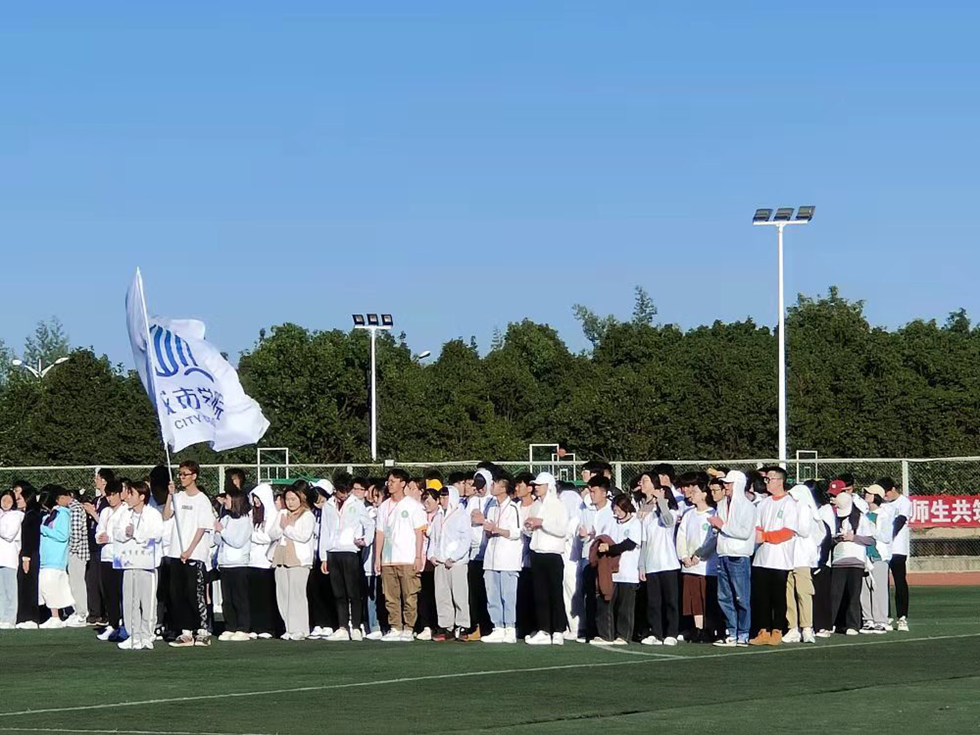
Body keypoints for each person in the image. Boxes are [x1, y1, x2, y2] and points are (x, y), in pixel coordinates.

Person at [165, 461, 216, 648]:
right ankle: (185, 631)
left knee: (195, 593)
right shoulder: (178, 497)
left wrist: (189, 550)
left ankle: (202, 630)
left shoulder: (202, 499)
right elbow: (166, 515)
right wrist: (170, 496)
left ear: (194, 476)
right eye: (180, 474)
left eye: (185, 474)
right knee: (178, 594)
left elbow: (202, 527)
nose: (182, 477)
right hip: (176, 552)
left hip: (194, 554)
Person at [375, 468, 427, 642]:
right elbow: (380, 533)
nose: (390, 484)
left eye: (394, 481)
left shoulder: (413, 506)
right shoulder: (383, 506)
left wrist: (418, 556)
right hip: (388, 558)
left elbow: (419, 532)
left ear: (402, 483)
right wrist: (377, 557)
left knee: (409, 594)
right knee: (390, 595)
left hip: (407, 556)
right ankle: (395, 626)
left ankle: (409, 627)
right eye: (389, 481)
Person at [749, 466, 799, 646]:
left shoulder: (789, 503)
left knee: (778, 597)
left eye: (769, 479)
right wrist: (760, 536)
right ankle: (763, 630)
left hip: (780, 559)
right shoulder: (763, 503)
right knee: (761, 597)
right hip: (762, 557)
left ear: (780, 481)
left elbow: (788, 531)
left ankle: (778, 629)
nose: (766, 482)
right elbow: (757, 526)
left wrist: (767, 536)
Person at [113, 480, 164, 650]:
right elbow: (117, 532)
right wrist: (126, 533)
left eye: (131, 493)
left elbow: (156, 535)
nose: (127, 497)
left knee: (147, 600)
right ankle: (132, 634)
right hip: (128, 562)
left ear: (142, 497)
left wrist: (136, 533)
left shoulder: (153, 514)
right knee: (129, 600)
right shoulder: (124, 513)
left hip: (147, 564)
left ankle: (147, 635)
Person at [321, 473, 371, 642]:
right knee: (338, 592)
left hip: (350, 551)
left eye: (347, 491)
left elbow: (369, 525)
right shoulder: (328, 505)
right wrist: (323, 557)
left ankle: (356, 627)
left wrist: (364, 540)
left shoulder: (356, 504)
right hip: (333, 552)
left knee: (353, 592)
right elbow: (324, 531)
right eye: (341, 491)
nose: (344, 494)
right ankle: (342, 627)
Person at [710, 470, 756, 648]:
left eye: (728, 484)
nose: (725, 487)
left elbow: (744, 533)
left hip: (739, 556)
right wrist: (717, 529)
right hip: (723, 554)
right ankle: (732, 632)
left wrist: (722, 526)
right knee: (724, 597)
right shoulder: (722, 504)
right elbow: (721, 527)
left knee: (741, 597)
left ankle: (743, 633)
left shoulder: (747, 506)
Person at [523, 472, 569, 646]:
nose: (536, 488)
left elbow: (562, 530)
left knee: (555, 593)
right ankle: (544, 629)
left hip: (553, 554)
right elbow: (529, 529)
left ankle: (558, 630)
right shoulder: (535, 505)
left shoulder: (558, 505)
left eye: (539, 485)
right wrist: (529, 526)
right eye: (535, 485)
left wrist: (541, 523)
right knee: (540, 594)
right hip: (537, 552)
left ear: (548, 486)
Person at [591, 494, 641, 646]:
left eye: (619, 509)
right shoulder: (612, 522)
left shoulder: (635, 523)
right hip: (611, 573)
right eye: (615, 509)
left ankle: (623, 635)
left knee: (625, 607)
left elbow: (629, 544)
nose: (617, 513)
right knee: (605, 602)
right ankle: (605, 634)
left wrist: (610, 548)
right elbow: (604, 537)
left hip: (628, 572)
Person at [675, 476, 718, 643]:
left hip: (707, 566)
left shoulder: (712, 513)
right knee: (693, 599)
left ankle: (711, 629)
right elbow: (681, 536)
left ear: (704, 494)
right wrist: (684, 556)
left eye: (695, 491)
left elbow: (712, 539)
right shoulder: (688, 514)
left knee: (707, 597)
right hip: (689, 566)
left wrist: (699, 555)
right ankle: (697, 629)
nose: (690, 494)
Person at [481, 475, 522, 644]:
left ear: (504, 488)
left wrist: (497, 529)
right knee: (493, 594)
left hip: (508, 559)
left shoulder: (513, 508)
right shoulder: (491, 507)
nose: (492, 486)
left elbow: (516, 532)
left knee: (508, 595)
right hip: (491, 557)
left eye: (496, 483)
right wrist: (489, 529)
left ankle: (510, 628)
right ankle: (497, 626)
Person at [428, 484, 471, 641]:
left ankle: (462, 625)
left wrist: (454, 557)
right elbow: (434, 538)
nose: (442, 500)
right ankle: (446, 626)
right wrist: (431, 555)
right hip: (440, 562)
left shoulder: (461, 515)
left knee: (460, 595)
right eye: (441, 497)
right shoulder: (438, 516)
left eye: (445, 496)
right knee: (442, 596)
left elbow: (465, 540)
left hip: (456, 563)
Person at [828, 492, 875, 635]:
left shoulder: (861, 518)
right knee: (835, 595)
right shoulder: (834, 518)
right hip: (838, 561)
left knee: (854, 595)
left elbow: (870, 540)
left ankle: (853, 625)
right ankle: (829, 624)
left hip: (856, 561)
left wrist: (853, 537)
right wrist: (836, 539)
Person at [783, 484, 825, 644]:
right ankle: (792, 627)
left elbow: (805, 530)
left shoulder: (805, 508)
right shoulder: (790, 507)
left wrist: (789, 527)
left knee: (804, 593)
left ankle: (807, 627)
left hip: (802, 559)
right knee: (789, 594)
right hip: (788, 558)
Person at [215, 488, 252, 642]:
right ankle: (230, 626)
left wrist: (222, 532)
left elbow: (237, 542)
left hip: (238, 564)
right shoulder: (226, 519)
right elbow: (216, 540)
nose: (225, 502)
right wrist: (218, 532)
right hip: (224, 564)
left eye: (228, 499)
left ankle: (243, 628)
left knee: (239, 598)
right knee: (227, 599)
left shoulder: (245, 521)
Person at [463, 468, 495, 640]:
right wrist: (472, 519)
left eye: (483, 485)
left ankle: (489, 626)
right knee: (475, 592)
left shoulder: (494, 500)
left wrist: (483, 520)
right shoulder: (473, 501)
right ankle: (477, 625)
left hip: (489, 552)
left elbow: (494, 522)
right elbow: (466, 521)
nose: (480, 489)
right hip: (473, 553)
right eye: (477, 485)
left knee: (489, 592)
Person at [38, 486, 74, 629]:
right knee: (50, 587)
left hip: (56, 558)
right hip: (47, 558)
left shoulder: (62, 514)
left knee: (50, 586)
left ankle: (56, 616)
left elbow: (62, 535)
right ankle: (56, 615)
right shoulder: (50, 515)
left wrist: (43, 529)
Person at [95, 480, 127, 641]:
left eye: (113, 494)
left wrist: (110, 537)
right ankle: (113, 623)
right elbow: (99, 530)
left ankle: (125, 624)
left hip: (121, 557)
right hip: (106, 556)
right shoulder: (105, 512)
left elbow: (125, 533)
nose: (110, 498)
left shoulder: (126, 510)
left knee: (123, 592)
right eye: (108, 495)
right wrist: (100, 538)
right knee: (109, 593)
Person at [247, 483, 280, 639]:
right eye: (254, 498)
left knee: (265, 597)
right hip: (251, 561)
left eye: (258, 498)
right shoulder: (252, 514)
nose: (255, 502)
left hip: (265, 562)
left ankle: (267, 627)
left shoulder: (272, 515)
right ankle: (255, 625)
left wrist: (251, 536)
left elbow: (268, 537)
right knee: (253, 596)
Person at [860, 484, 893, 635]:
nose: (866, 494)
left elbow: (885, 537)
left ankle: (881, 620)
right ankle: (868, 619)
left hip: (878, 556)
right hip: (864, 556)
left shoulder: (884, 515)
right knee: (865, 589)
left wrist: (871, 530)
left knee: (879, 589)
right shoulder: (863, 514)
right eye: (866, 492)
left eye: (870, 493)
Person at [880, 477, 911, 631]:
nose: (884, 497)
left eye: (886, 493)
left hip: (898, 549)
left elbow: (900, 521)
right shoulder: (881, 504)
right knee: (882, 583)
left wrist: (888, 536)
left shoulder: (904, 502)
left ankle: (902, 616)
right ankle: (886, 616)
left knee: (900, 581)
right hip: (883, 550)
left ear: (893, 489)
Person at [14, 483, 41, 629]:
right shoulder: (28, 515)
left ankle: (30, 617)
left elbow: (30, 538)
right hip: (27, 554)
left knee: (29, 585)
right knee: (24, 585)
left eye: (20, 498)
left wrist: (26, 557)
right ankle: (24, 616)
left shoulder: (32, 516)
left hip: (30, 555)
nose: (17, 500)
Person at [514, 472, 537, 639]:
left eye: (520, 485)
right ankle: (520, 626)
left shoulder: (536, 507)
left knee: (531, 593)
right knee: (517, 594)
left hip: (531, 557)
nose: (517, 488)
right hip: (514, 557)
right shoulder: (514, 507)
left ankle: (533, 627)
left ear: (529, 488)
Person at [64, 490, 91, 628]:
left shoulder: (74, 509)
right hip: (79, 552)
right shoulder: (75, 508)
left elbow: (75, 533)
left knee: (76, 583)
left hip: (77, 552)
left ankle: (81, 613)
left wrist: (70, 550)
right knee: (75, 583)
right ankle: (78, 611)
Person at [0, 490, 24, 629]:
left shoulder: (16, 516)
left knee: (10, 590)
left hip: (9, 558)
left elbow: (9, 534)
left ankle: (9, 618)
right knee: (1, 591)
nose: (6, 503)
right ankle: (1, 617)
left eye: (9, 501)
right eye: (4, 500)